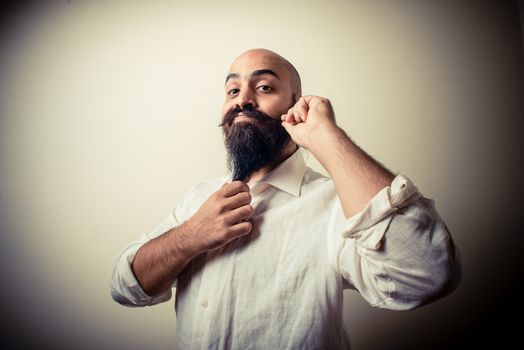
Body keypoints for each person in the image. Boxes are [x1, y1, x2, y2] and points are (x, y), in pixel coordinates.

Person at [110, 48, 461, 349]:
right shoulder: (199, 200)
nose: (243, 99)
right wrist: (190, 237)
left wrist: (327, 137)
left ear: (296, 106)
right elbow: (124, 286)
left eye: (263, 87)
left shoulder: (337, 204)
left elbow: (426, 275)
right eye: (232, 90)